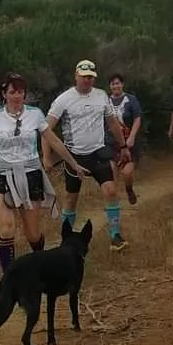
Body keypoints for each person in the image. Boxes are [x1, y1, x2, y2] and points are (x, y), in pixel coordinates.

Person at [0, 72, 89, 273]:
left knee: (32, 234)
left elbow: (53, 141)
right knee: (6, 229)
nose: (17, 96)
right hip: (4, 174)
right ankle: (9, 276)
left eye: (20, 92)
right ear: (4, 94)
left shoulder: (35, 115)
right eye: (12, 92)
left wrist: (74, 164)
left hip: (30, 174)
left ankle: (40, 266)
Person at [46, 59, 131, 252]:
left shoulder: (101, 95)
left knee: (110, 191)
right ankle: (66, 239)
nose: (87, 80)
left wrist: (123, 146)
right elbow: (46, 128)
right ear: (76, 76)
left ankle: (115, 236)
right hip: (74, 156)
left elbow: (112, 122)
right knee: (71, 198)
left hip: (98, 152)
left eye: (91, 77)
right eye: (84, 77)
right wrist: (47, 156)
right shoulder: (64, 99)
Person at [106, 71, 143, 206]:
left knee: (127, 173)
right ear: (110, 86)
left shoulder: (131, 99)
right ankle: (113, 202)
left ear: (122, 84)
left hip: (128, 141)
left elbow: (137, 118)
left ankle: (129, 189)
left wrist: (132, 137)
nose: (115, 86)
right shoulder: (106, 101)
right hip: (111, 142)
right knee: (110, 174)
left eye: (117, 83)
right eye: (113, 84)